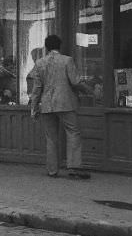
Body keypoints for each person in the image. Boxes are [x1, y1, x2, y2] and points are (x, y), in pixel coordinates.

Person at [28, 34, 91, 179]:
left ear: (46, 47)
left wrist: (34, 107)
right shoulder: (67, 60)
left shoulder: (40, 63)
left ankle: (52, 170)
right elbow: (75, 82)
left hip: (47, 104)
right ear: (59, 46)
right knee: (73, 132)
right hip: (65, 103)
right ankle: (74, 168)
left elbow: (36, 88)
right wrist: (89, 90)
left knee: (51, 138)